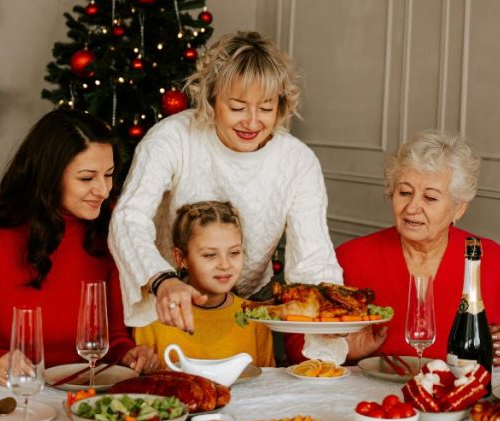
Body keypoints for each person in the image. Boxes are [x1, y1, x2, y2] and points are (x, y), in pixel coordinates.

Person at [0, 109, 159, 421]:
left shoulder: (107, 239)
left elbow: (112, 339)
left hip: (82, 413)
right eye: (86, 178)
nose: (103, 190)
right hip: (3, 411)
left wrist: (128, 353)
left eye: (109, 175)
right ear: (49, 176)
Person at [110, 30, 348, 363]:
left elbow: (312, 259)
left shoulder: (297, 160)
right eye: (237, 107)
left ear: (281, 106)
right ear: (211, 98)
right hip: (172, 294)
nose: (252, 122)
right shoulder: (172, 138)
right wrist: (162, 280)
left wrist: (329, 335)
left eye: (266, 108)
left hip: (250, 302)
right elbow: (128, 218)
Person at [310, 130, 500, 369]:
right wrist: (344, 351)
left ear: (459, 209)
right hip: (376, 402)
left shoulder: (488, 260)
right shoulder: (352, 258)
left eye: (430, 198)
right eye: (404, 193)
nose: (412, 207)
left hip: (459, 401)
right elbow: (298, 344)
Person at [133, 201, 275, 368]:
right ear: (181, 258)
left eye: (234, 253)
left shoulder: (255, 318)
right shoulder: (154, 317)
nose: (225, 264)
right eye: (209, 255)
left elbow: (268, 385)